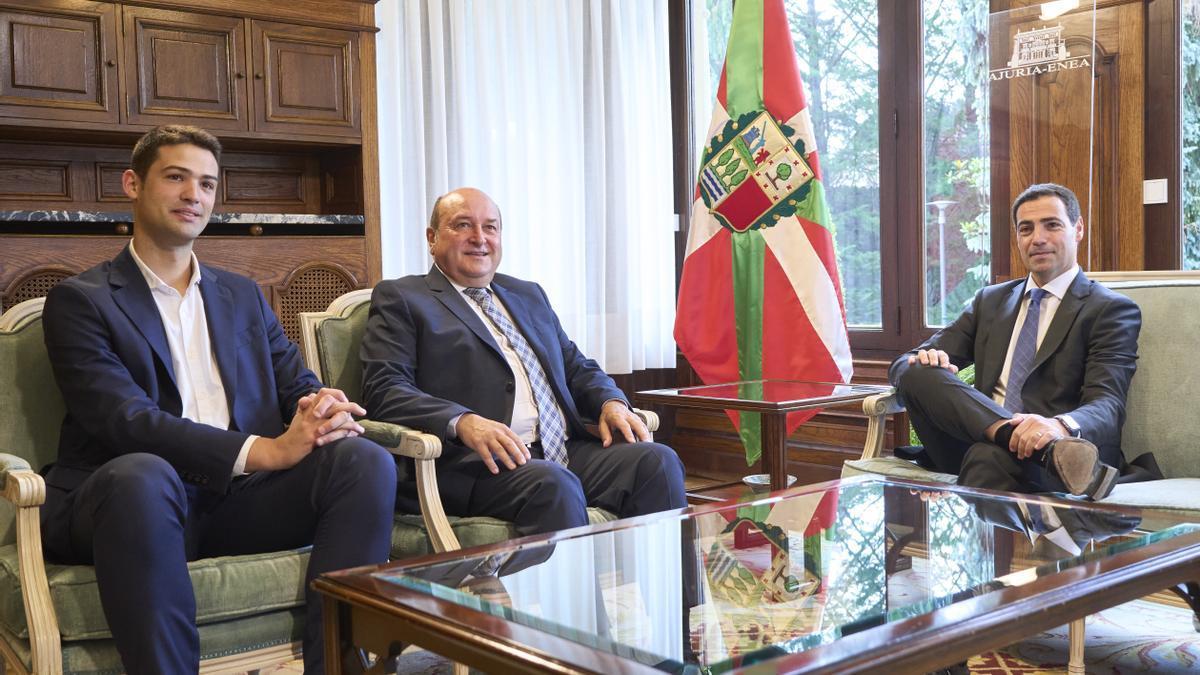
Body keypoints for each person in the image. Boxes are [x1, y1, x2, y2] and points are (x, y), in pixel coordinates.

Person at [40, 125, 396, 674]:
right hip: (131, 504)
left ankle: (337, 667)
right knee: (143, 473)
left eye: (206, 184)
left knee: (362, 459)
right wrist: (266, 451)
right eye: (176, 177)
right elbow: (124, 420)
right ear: (133, 184)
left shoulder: (242, 294)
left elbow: (292, 379)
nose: (194, 195)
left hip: (236, 501)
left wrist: (319, 406)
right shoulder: (80, 301)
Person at [360, 187, 687, 535]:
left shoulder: (527, 294)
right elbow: (385, 389)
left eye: (490, 227)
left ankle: (665, 586)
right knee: (553, 485)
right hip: (475, 464)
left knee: (658, 462)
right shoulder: (405, 298)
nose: (479, 238)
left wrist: (611, 402)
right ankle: (573, 592)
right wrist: (463, 421)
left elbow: (575, 366)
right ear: (432, 237)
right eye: (463, 225)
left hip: (561, 448)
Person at [890, 182, 1141, 505]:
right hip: (984, 444)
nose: (1037, 238)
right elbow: (902, 368)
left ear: (1077, 229)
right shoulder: (991, 301)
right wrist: (929, 359)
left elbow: (1108, 404)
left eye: (1052, 225)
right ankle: (1040, 449)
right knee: (918, 370)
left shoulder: (1109, 309)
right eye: (1026, 229)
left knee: (987, 459)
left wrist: (1057, 426)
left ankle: (1046, 454)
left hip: (1051, 454)